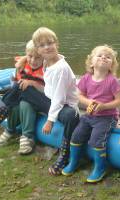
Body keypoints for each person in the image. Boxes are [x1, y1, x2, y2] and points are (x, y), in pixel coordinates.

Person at [62, 45, 120, 183]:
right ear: (91, 62)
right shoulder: (86, 78)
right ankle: (74, 162)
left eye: (108, 57)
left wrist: (104, 106)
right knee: (76, 136)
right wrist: (89, 102)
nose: (104, 58)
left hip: (107, 117)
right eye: (100, 55)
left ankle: (100, 167)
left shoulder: (112, 81)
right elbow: (80, 95)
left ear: (111, 65)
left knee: (96, 140)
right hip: (90, 115)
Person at [31, 27, 80, 175]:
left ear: (57, 44)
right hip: (50, 100)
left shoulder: (61, 68)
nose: (47, 47)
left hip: (64, 106)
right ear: (38, 50)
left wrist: (50, 121)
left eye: (50, 43)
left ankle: (65, 154)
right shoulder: (46, 62)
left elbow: (59, 98)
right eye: (42, 45)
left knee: (72, 116)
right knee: (25, 87)